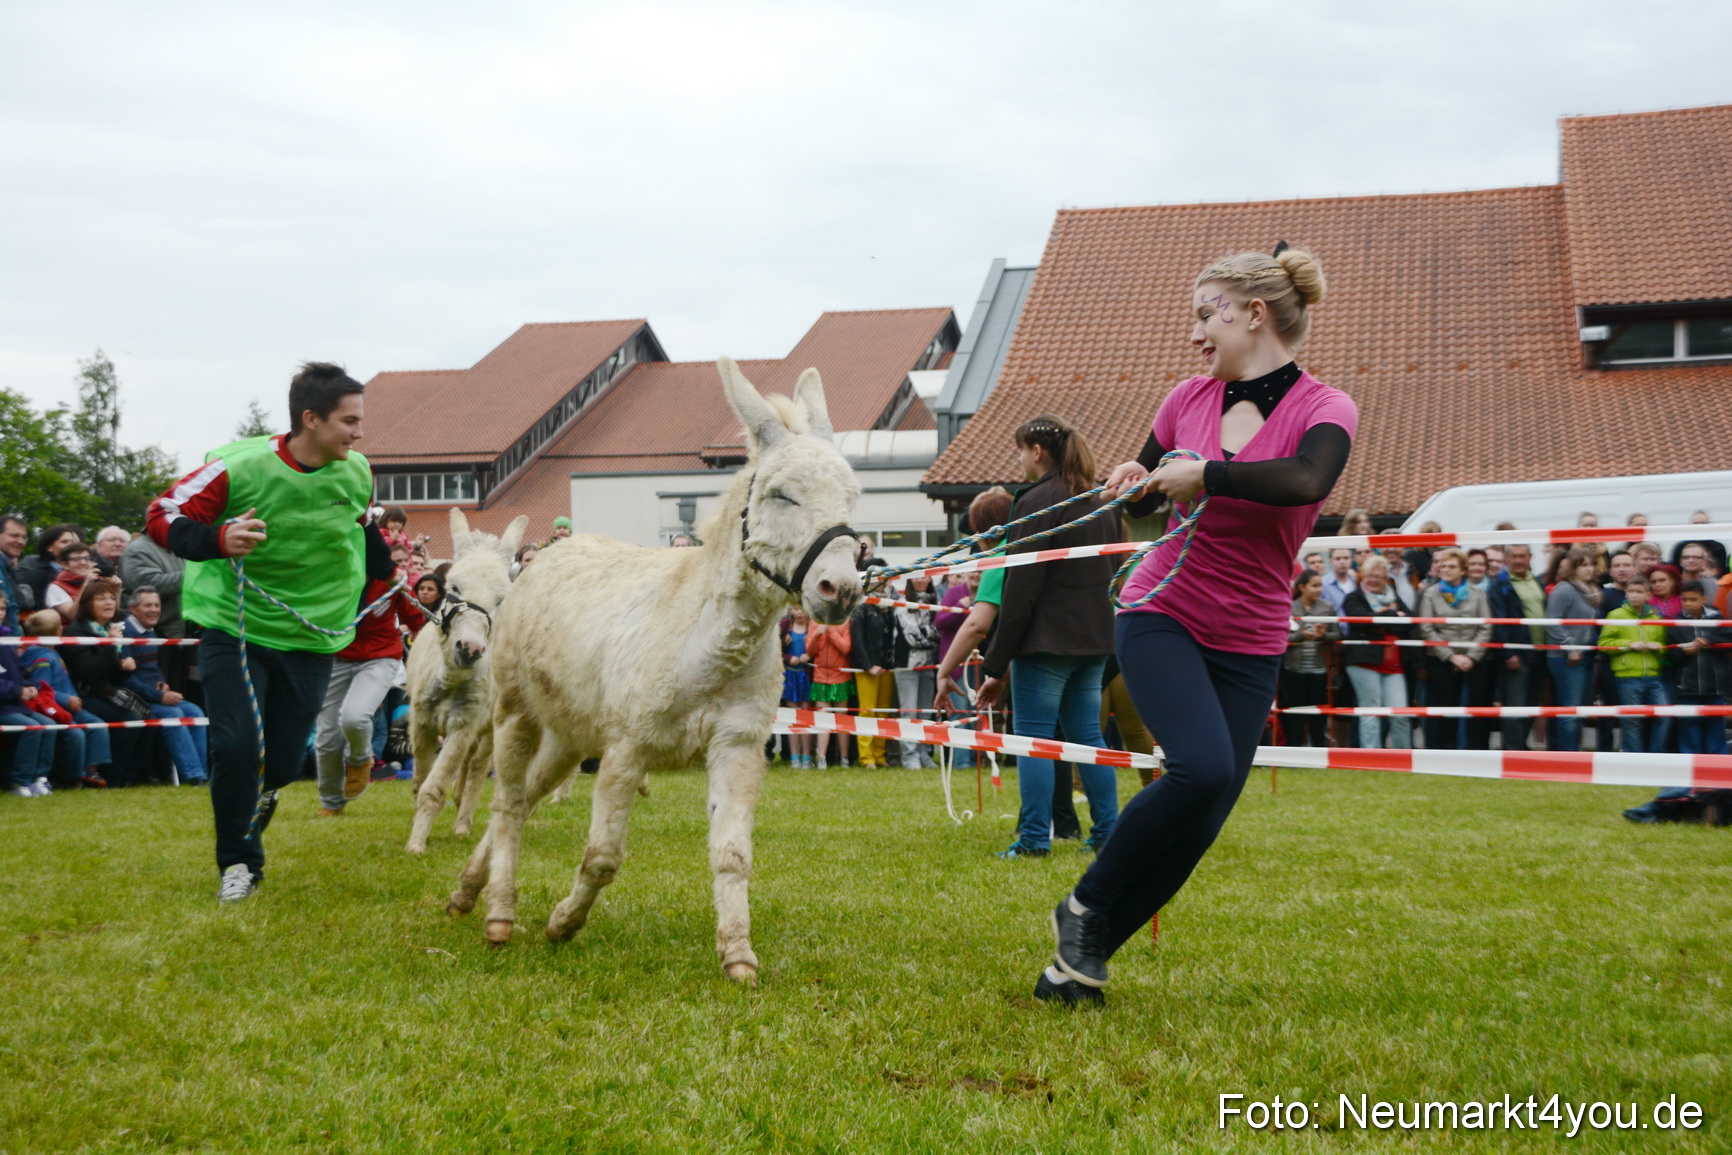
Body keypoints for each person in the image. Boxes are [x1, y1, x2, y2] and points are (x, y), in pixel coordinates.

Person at [1032, 244, 1353, 1006]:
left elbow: (1307, 481)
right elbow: (1144, 496)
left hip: (1252, 635)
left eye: (1205, 313)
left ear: (1255, 312)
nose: (1195, 333)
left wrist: (1205, 473)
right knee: (1201, 771)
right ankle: (1079, 906)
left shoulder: (1325, 407)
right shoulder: (1186, 398)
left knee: (1205, 819)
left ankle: (1077, 966)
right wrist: (1132, 482)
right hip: (1162, 611)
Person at [146, 362, 392, 902]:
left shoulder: (356, 470)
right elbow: (162, 514)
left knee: (281, 760)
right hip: (236, 625)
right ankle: (239, 864)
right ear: (311, 419)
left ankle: (259, 799)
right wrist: (218, 537)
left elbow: (360, 521)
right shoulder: (240, 467)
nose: (358, 432)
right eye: (349, 421)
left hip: (312, 632)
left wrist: (384, 567)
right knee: (238, 746)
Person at [974, 415, 1122, 861]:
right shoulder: (1100, 500)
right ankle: (1107, 833)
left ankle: (1036, 838)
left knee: (1034, 739)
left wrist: (995, 664)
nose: (1019, 459)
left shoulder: (1036, 501)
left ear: (1037, 452)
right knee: (1088, 738)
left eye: (1021, 450)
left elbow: (1022, 587)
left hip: (1046, 643)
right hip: (1096, 639)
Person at [313, 559, 425, 816]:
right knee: (327, 736)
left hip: (381, 658)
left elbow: (417, 621)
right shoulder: (329, 572)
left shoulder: (391, 577)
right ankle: (331, 802)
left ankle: (361, 758)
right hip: (337, 657)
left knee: (355, 716)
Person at [62, 576, 151, 787]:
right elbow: (88, 672)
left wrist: (124, 666)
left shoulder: (111, 629)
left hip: (105, 691)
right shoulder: (75, 631)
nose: (109, 603)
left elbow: (112, 675)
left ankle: (130, 777)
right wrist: (111, 645)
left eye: (112, 598)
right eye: (101, 598)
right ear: (87, 604)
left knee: (149, 717)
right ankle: (113, 778)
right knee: (129, 719)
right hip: (83, 695)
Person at [20, 608, 114, 787]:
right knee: (75, 734)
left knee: (97, 725)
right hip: (55, 709)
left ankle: (91, 769)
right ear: (57, 632)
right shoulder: (42, 658)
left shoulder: (52, 652)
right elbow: (41, 689)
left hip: (70, 706)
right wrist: (66, 699)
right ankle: (72, 777)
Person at [123, 586, 208, 784]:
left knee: (195, 712)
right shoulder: (125, 633)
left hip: (156, 694)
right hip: (139, 699)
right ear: (133, 608)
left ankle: (203, 774)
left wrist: (163, 685)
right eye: (148, 605)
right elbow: (127, 680)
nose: (154, 610)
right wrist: (159, 696)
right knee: (174, 716)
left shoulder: (152, 632)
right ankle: (193, 776)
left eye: (157, 605)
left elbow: (152, 670)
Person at [1417, 549, 1492, 750]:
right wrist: (1451, 656)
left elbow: (1486, 626)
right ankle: (1443, 754)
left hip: (1473, 659)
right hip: (1441, 660)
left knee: (1475, 709)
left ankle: (1475, 753)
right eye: (1442, 566)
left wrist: (1471, 657)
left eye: (1451, 566)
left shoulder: (1478, 593)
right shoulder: (1430, 594)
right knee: (1443, 710)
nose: (1445, 570)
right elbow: (1426, 628)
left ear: (1463, 570)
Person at [1339, 555, 1413, 749]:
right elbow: (1363, 621)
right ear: (1362, 575)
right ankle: (1370, 758)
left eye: (1378, 576)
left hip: (1394, 664)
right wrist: (1392, 615)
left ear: (1386, 578)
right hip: (1364, 662)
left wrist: (1383, 620)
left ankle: (1403, 758)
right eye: (1369, 575)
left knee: (1400, 714)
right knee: (1370, 712)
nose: (1373, 579)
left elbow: (1409, 623)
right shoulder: (1354, 597)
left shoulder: (1394, 595)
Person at [1487, 544, 1547, 752]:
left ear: (1530, 557)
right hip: (1516, 653)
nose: (1518, 560)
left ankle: (1521, 745)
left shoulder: (1536, 581)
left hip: (1539, 652)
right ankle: (1513, 750)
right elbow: (1499, 620)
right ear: (1506, 558)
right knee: (1516, 705)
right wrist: (1509, 651)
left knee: (1530, 703)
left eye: (1522, 556)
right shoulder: (1500, 584)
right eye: (1514, 556)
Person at [1599, 578, 1670, 753]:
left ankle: (1656, 756)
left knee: (1664, 715)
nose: (1634, 595)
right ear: (1626, 593)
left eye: (1639, 592)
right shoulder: (1616, 615)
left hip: (1653, 676)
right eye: (1631, 591)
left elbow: (1663, 647)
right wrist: (1629, 644)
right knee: (1632, 720)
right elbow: (1604, 644)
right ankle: (1634, 758)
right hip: (1627, 676)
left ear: (1648, 595)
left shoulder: (1655, 617)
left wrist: (1658, 648)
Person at [1, 590, 59, 796]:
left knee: (50, 725)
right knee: (32, 728)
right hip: (4, 706)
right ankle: (20, 781)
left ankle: (40, 778)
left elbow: (19, 671)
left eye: (2, 608)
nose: (0, 613)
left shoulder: (6, 638)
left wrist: (28, 685)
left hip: (15, 703)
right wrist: (17, 690)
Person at [1543, 550, 1601, 752]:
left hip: (1585, 657)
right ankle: (1567, 754)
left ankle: (1572, 750)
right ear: (1573, 568)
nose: (1589, 568)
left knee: (1579, 710)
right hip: (1566, 658)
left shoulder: (1590, 590)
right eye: (1583, 565)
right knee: (1570, 710)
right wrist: (1570, 647)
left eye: (1591, 564)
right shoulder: (1564, 589)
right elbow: (1551, 623)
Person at [1666, 583, 1730, 755]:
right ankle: (1689, 775)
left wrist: (1706, 640)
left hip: (1715, 687)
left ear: (1703, 599)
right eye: (1684, 600)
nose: (1688, 603)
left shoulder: (1718, 618)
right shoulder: (1675, 623)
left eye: (1693, 599)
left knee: (1716, 732)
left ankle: (1716, 775)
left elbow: (1728, 639)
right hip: (1686, 688)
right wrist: (1684, 652)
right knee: (1689, 733)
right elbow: (1669, 656)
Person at [889, 575, 940, 770]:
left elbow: (938, 630)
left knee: (925, 712)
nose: (920, 580)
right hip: (907, 666)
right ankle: (909, 757)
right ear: (910, 579)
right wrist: (931, 636)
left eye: (925, 576)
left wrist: (929, 635)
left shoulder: (935, 602)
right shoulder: (902, 604)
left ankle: (924, 754)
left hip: (928, 666)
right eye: (916, 576)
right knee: (909, 712)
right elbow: (912, 636)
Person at [849, 562, 896, 769]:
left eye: (883, 580)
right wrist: (868, 666)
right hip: (866, 668)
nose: (881, 583)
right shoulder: (860, 606)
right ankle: (866, 757)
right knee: (867, 711)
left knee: (883, 711)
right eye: (877, 579)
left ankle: (880, 755)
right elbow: (856, 640)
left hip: (887, 666)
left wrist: (887, 663)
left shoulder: (889, 605)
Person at [1282, 572, 1338, 746]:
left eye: (1320, 585)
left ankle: (1319, 750)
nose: (1318, 589)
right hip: (1293, 669)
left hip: (1319, 669)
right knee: (1295, 714)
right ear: (1302, 587)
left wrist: (1323, 635)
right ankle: (1294, 751)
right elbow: (1280, 637)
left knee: (1318, 715)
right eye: (1314, 585)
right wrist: (1301, 635)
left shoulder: (1327, 607)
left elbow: (1337, 634)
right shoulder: (1289, 607)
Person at [805, 616, 853, 768]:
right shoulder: (814, 622)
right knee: (822, 719)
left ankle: (844, 757)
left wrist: (832, 632)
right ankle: (821, 758)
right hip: (820, 676)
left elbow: (846, 648)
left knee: (842, 718)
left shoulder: (844, 621)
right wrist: (817, 634)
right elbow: (810, 650)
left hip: (841, 677)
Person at [16, 523, 81, 612]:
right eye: (64, 542)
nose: (70, 546)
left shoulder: (78, 571)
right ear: (49, 547)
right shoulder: (37, 574)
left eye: (72, 542)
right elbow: (37, 608)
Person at [779, 609, 814, 768]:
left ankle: (806, 756)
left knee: (806, 717)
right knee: (792, 718)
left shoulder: (813, 626)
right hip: (790, 676)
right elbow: (776, 650)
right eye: (796, 609)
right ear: (791, 611)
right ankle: (794, 757)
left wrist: (810, 654)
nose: (800, 613)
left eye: (802, 610)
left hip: (806, 676)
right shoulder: (784, 625)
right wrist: (788, 658)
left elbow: (819, 648)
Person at [44, 542, 95, 620]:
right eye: (77, 559)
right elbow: (73, 616)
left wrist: (116, 588)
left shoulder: (98, 581)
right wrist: (86, 585)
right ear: (65, 565)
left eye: (87, 558)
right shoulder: (56, 587)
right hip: (72, 631)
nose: (83, 562)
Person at [0, 514, 27, 631]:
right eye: (14, 536)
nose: (21, 542)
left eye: (24, 537)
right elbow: (9, 606)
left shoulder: (7, 566)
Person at [1320, 547, 1357, 613]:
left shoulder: (1357, 582)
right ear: (1330, 561)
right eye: (1337, 559)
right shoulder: (1322, 583)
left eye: (1346, 558)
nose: (1342, 562)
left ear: (1351, 559)